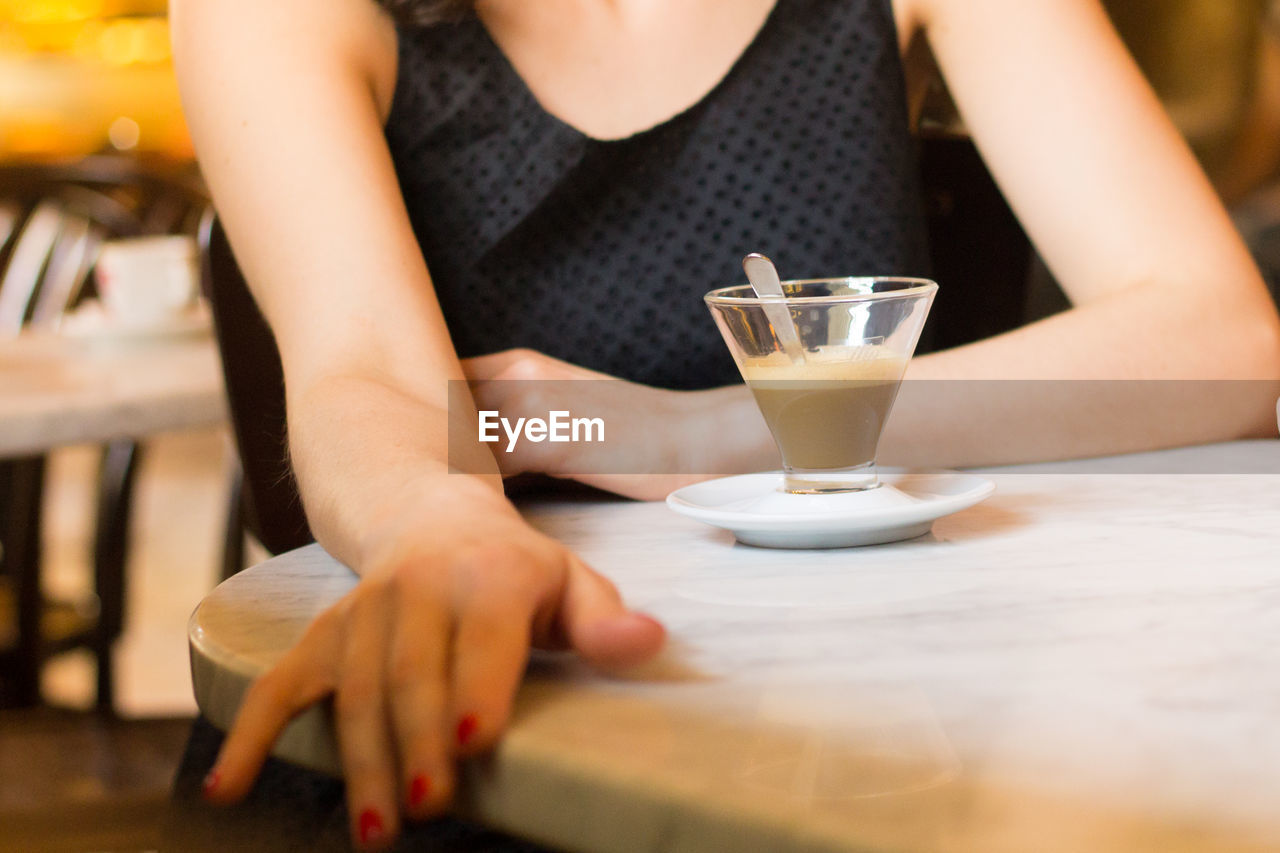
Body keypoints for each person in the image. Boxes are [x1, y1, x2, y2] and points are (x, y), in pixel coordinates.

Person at [169, 0, 1280, 848]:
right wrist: (437, 526)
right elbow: (366, 372)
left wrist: (696, 432)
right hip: (492, 688)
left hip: (882, 710)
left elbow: (1221, 339)